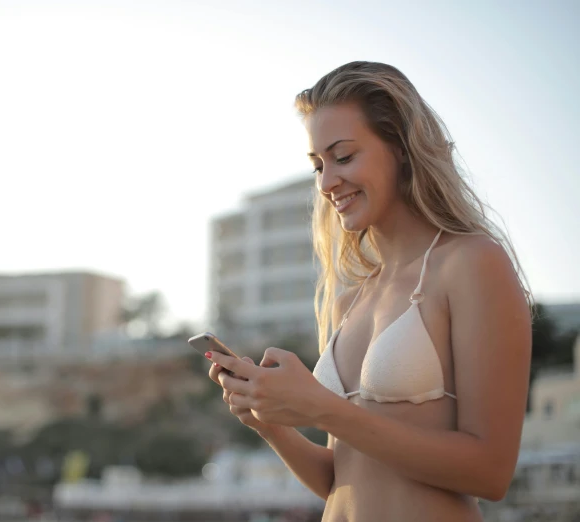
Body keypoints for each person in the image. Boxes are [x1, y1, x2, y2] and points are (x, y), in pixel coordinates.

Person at [207, 61, 531, 522]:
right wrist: (271, 424)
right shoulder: (349, 300)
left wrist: (320, 408)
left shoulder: (471, 263)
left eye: (343, 157)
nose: (326, 182)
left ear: (401, 148)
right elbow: (342, 480)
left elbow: (490, 472)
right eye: (318, 165)